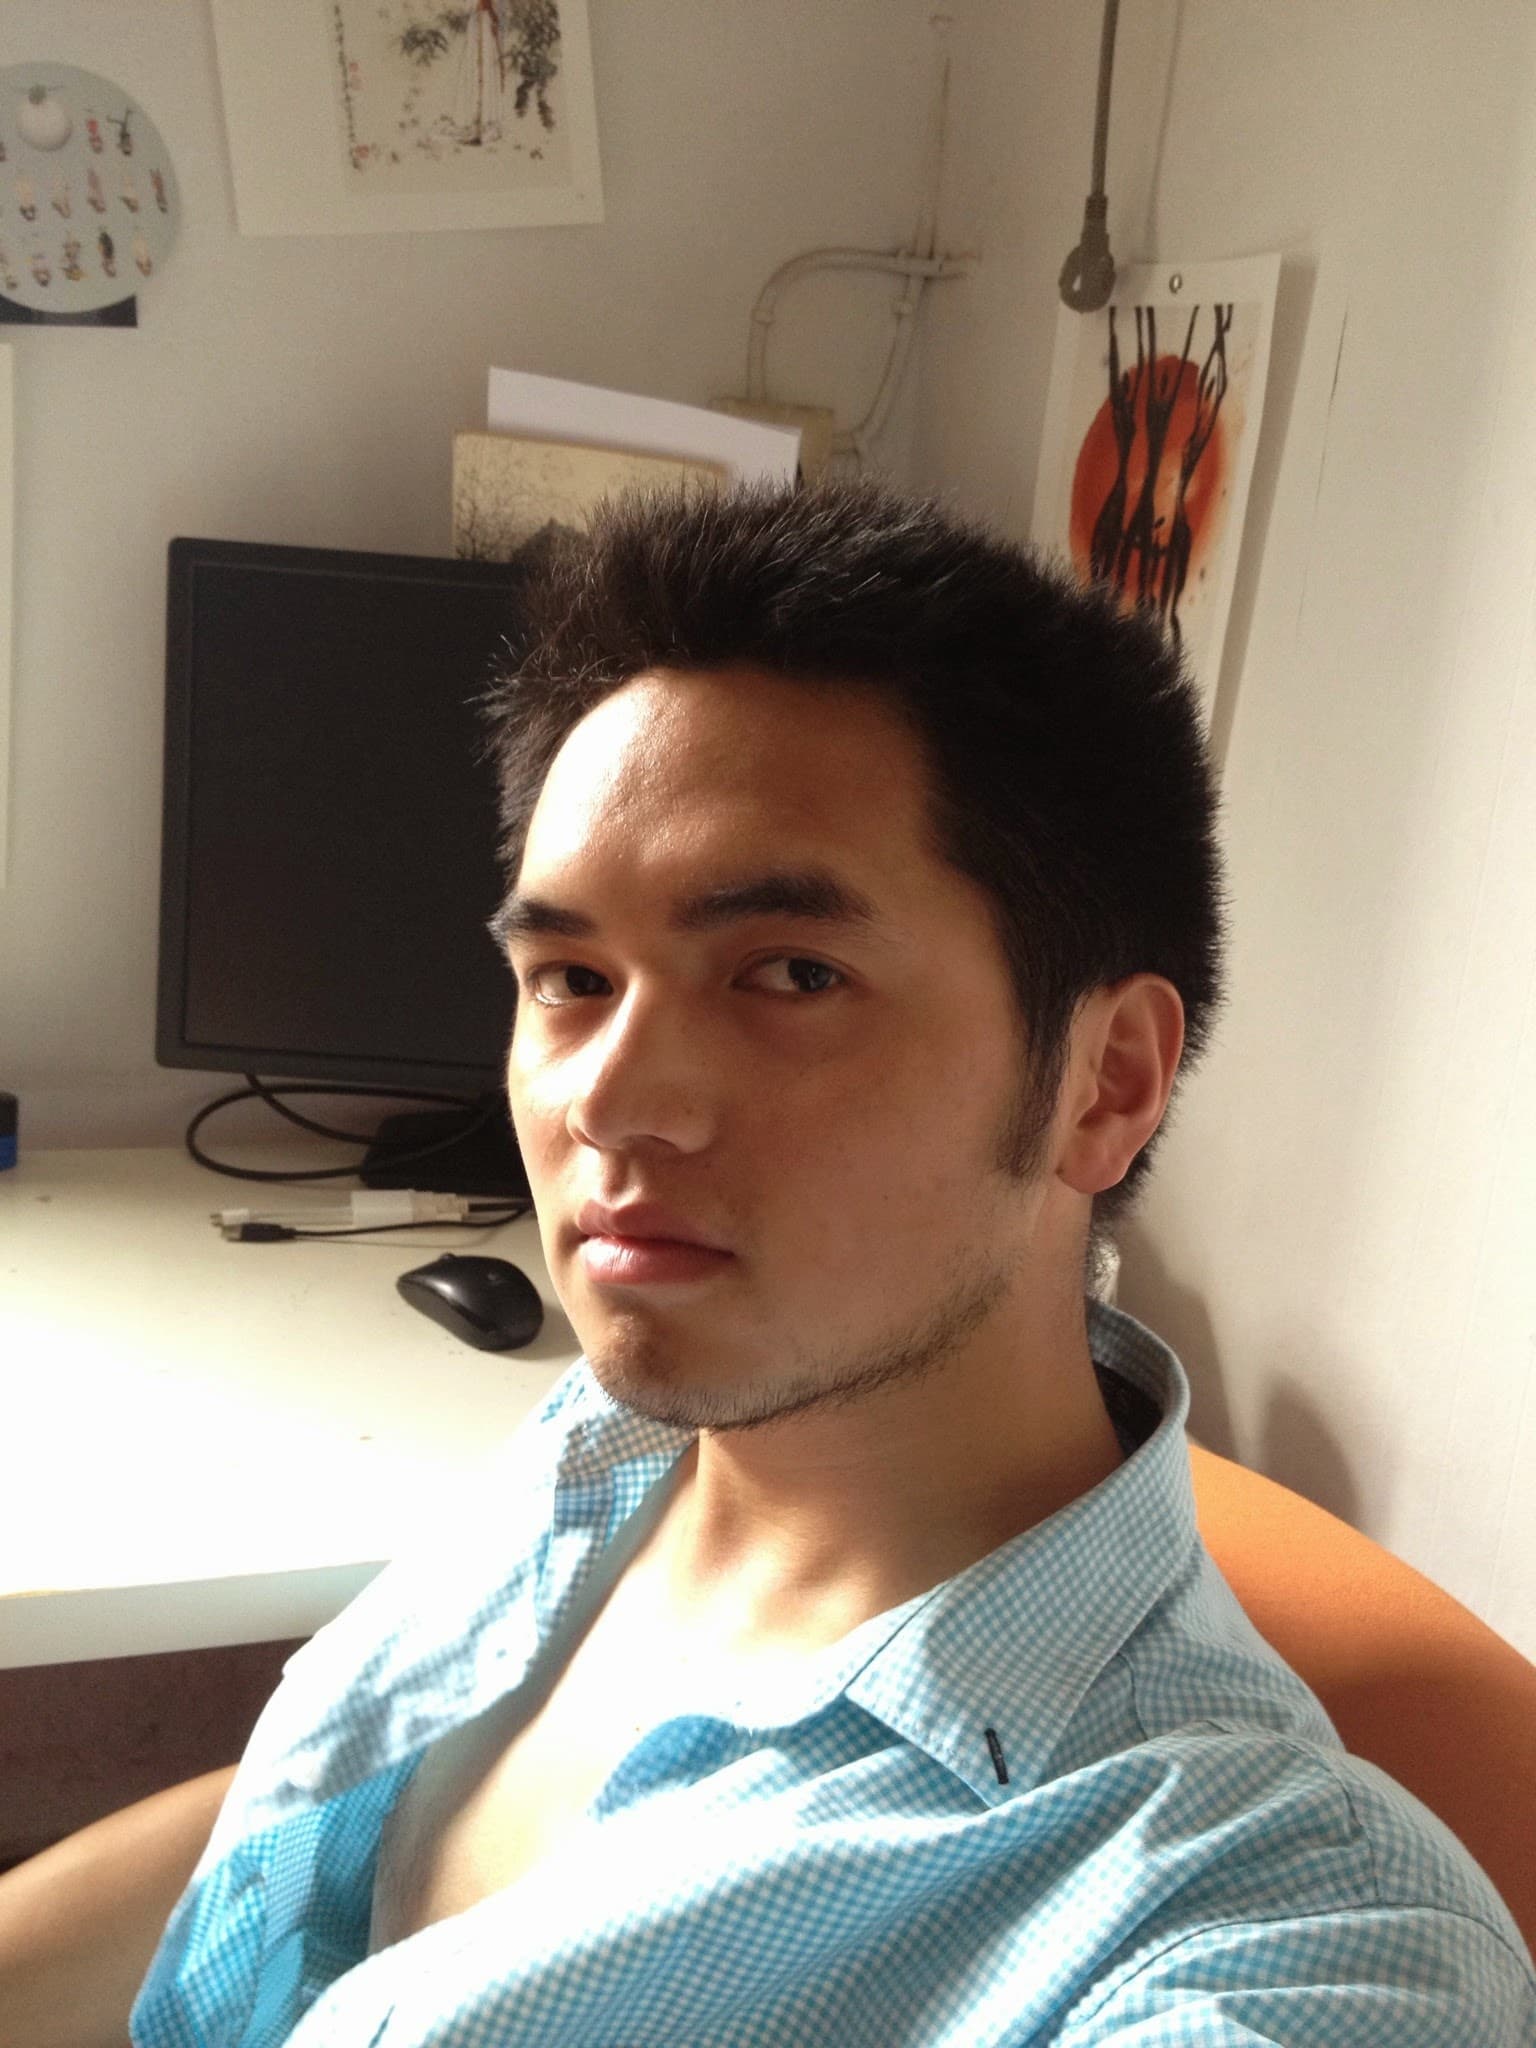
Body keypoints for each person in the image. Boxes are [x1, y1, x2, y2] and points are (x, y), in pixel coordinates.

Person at [3, 477, 1532, 2046]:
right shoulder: (611, 1448)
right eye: (572, 976)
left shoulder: (1268, 1927)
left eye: (790, 974)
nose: (604, 1093)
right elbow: (326, 1828)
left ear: (1106, 1083)